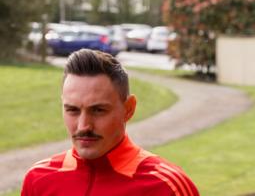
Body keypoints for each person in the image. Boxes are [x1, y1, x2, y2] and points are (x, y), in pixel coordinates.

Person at [22, 49, 199, 196]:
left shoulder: (166, 186)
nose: (84, 126)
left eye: (98, 110)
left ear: (128, 109)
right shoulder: (38, 180)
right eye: (73, 110)